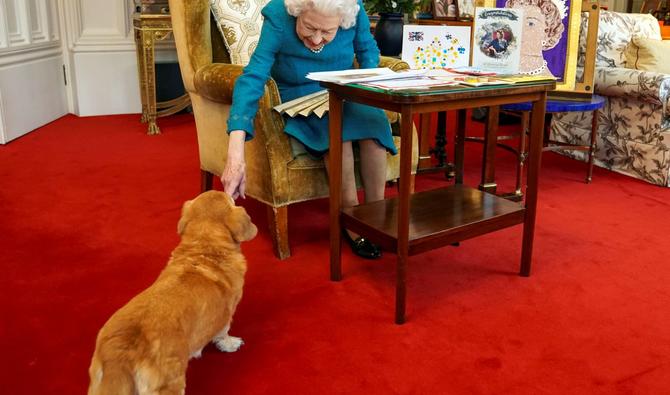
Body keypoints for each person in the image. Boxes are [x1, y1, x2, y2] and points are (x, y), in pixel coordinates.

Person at [223, 0, 395, 259]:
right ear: (298, 10)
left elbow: (367, 51)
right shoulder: (279, 15)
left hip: (345, 90)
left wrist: (369, 88)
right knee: (339, 136)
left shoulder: (353, 10)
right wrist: (235, 150)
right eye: (309, 27)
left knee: (374, 128)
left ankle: (376, 214)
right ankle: (350, 218)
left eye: (327, 32)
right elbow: (253, 76)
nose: (316, 39)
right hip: (299, 95)